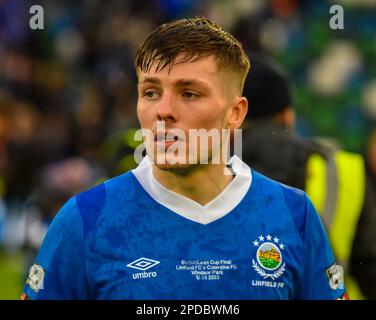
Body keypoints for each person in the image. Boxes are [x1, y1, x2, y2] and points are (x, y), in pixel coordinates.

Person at [21, 18, 347, 300]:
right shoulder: (85, 219)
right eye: (150, 92)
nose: (163, 110)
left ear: (235, 113)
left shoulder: (293, 214)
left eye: (189, 93)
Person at [241, 53, 374, 299]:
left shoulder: (208, 169)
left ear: (235, 115)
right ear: (288, 115)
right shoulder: (345, 169)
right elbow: (370, 268)